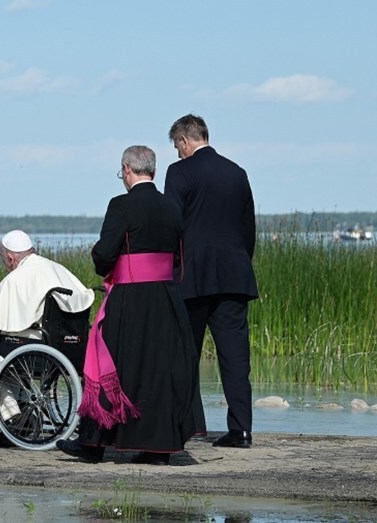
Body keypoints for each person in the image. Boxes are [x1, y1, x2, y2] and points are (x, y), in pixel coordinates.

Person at [57, 145, 203, 465]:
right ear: (153, 169)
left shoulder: (121, 204)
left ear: (127, 169)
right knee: (158, 370)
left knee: (110, 366)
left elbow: (105, 252)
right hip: (166, 299)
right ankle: (158, 447)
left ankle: (93, 444)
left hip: (131, 298)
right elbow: (179, 255)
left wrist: (101, 262)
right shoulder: (171, 206)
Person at [164, 114, 258, 449]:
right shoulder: (237, 172)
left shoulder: (180, 173)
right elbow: (248, 230)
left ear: (186, 141)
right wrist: (239, 262)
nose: (177, 153)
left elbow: (173, 223)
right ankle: (242, 429)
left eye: (177, 146)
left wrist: (172, 268)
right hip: (234, 275)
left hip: (192, 277)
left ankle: (189, 426)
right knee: (235, 357)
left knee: (184, 353)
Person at [0, 230, 94, 392]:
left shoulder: (16, 279)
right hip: (69, 345)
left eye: (2, 258)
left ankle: (7, 411)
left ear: (10, 258)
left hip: (35, 347)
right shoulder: (58, 269)